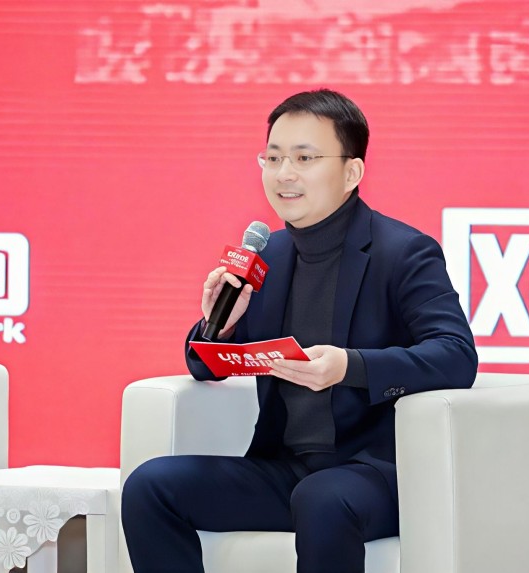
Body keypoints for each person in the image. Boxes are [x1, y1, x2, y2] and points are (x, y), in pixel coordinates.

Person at [121, 89, 478, 573]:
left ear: (351, 173)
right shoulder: (268, 255)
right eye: (273, 158)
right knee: (151, 486)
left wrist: (349, 366)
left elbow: (456, 355)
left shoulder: (403, 252)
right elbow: (202, 366)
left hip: (376, 472)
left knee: (322, 497)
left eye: (304, 158)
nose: (284, 173)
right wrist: (220, 326)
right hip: (282, 468)